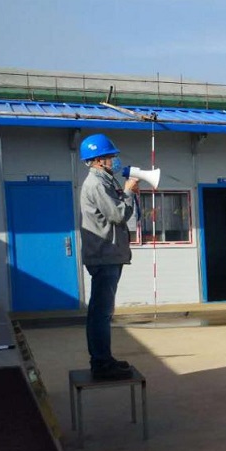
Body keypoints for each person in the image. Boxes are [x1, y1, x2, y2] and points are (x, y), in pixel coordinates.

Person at [78, 134, 137, 380]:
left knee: (103, 311)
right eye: (111, 156)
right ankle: (101, 363)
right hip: (104, 255)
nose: (115, 160)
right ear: (99, 160)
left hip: (107, 254)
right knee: (101, 313)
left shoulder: (104, 181)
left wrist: (126, 193)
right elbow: (118, 215)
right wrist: (129, 192)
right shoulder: (97, 184)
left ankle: (104, 358)